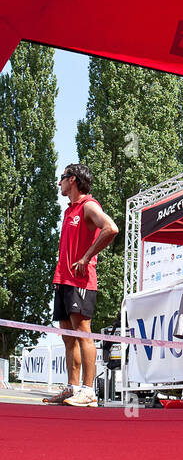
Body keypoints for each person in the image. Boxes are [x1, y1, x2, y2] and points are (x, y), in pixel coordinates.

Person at [42, 163, 119, 408]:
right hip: (62, 280)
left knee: (83, 333)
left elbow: (111, 228)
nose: (59, 183)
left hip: (80, 281)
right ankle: (73, 387)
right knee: (68, 336)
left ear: (72, 179)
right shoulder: (69, 210)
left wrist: (86, 257)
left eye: (62, 178)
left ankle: (88, 391)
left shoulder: (89, 205)